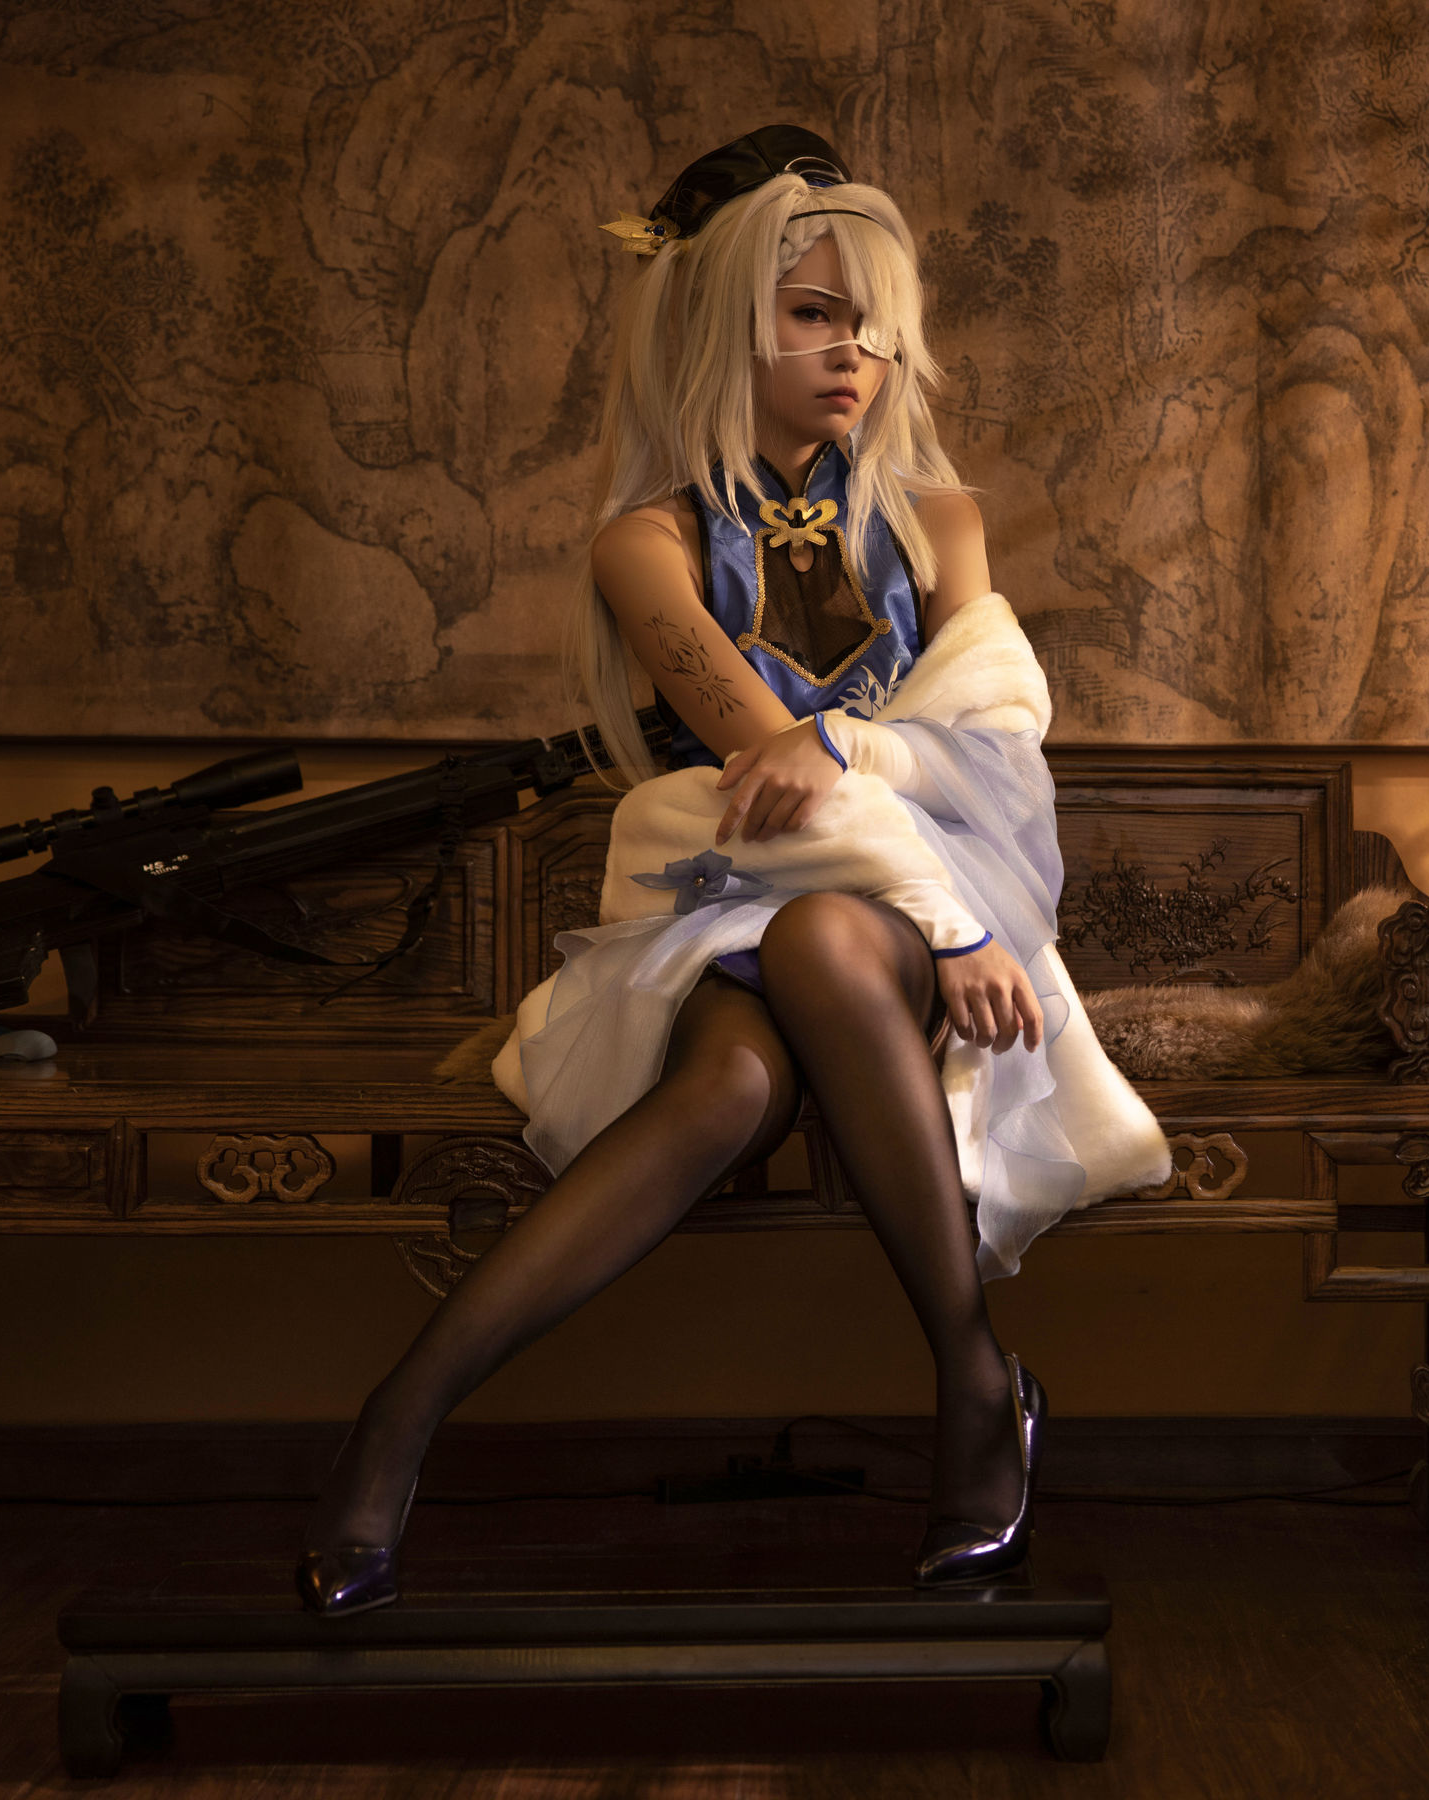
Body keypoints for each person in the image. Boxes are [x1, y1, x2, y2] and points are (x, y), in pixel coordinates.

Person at [297, 125, 1168, 1616]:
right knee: (728, 1085)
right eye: (814, 314)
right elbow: (763, 786)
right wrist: (885, 825)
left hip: (929, 891)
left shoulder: (941, 520)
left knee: (832, 937)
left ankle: (964, 1385)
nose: (854, 355)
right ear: (720, 321)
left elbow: (1001, 744)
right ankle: (406, 1411)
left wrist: (924, 875)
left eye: (873, 327)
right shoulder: (646, 544)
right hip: (727, 896)